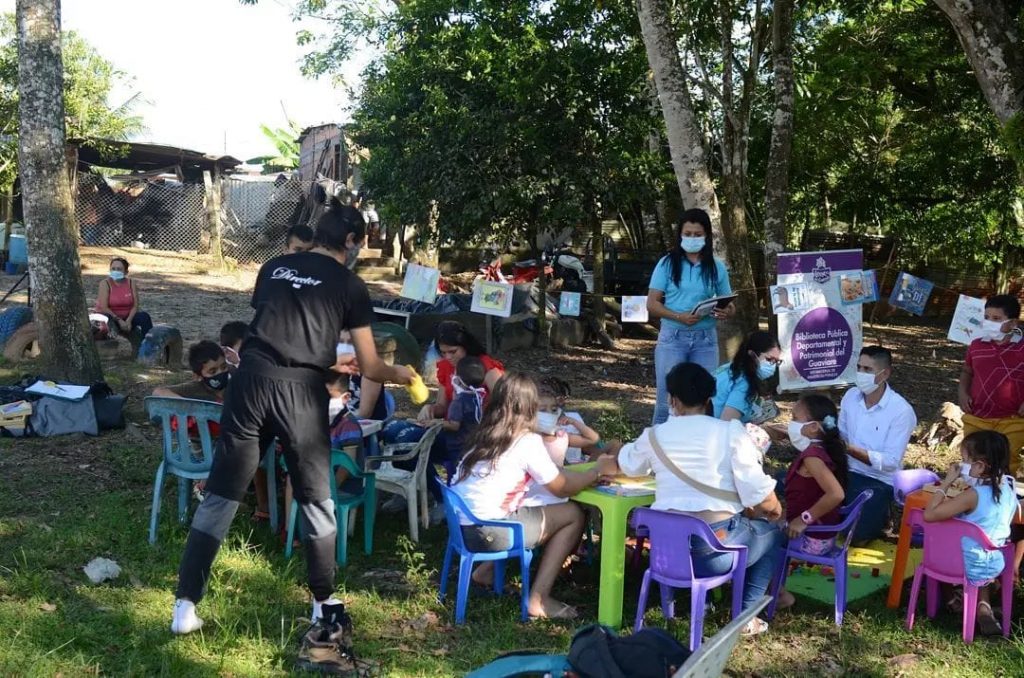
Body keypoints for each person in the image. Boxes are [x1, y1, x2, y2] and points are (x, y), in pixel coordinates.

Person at [170, 202, 413, 676]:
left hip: (251, 381)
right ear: (351, 242)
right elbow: (371, 366)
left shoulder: (274, 266)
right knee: (316, 499)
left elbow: (281, 331)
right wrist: (401, 373)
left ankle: (185, 607)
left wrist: (325, 361)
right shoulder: (351, 284)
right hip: (300, 394)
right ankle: (324, 604)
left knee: (221, 493)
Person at [602, 362, 789, 635]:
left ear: (672, 399)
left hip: (664, 552)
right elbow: (758, 491)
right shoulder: (730, 432)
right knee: (772, 535)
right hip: (715, 552)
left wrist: (612, 453)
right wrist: (775, 512)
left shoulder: (654, 435)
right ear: (709, 397)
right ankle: (745, 617)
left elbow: (629, 464)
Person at [451, 372, 617, 620]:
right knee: (572, 514)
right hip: (491, 531)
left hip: (463, 528)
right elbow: (561, 487)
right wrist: (596, 471)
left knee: (526, 508)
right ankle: (538, 598)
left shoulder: (486, 434)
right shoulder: (526, 441)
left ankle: (485, 573)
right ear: (529, 408)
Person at [923, 431, 1017, 637]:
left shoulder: (972, 495)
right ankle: (983, 607)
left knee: (943, 545)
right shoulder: (1009, 490)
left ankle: (952, 601)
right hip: (995, 562)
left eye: (965, 460)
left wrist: (946, 483)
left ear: (981, 466)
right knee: (978, 547)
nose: (961, 465)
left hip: (961, 563)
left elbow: (930, 515)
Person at [646, 208, 735, 425]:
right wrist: (678, 316)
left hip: (705, 339)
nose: (692, 238)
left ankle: (702, 448)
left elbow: (729, 303)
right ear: (680, 235)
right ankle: (657, 448)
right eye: (688, 234)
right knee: (667, 399)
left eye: (697, 234)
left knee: (704, 397)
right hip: (672, 337)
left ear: (706, 236)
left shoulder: (716, 267)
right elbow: (652, 304)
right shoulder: (667, 263)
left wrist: (727, 310)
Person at [838, 346, 917, 542]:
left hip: (878, 479)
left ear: (885, 373)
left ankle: (882, 517)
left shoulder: (901, 411)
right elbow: (841, 434)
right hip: (845, 470)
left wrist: (849, 449)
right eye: (859, 368)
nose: (861, 374)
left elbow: (890, 462)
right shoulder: (850, 397)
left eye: (868, 370)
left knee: (856, 536)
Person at [958, 294, 1024, 476]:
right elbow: (967, 372)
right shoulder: (976, 346)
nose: (989, 322)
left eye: (996, 319)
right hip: (977, 417)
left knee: (1006, 460)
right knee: (973, 460)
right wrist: (962, 393)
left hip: (1013, 420)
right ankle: (972, 499)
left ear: (1013, 323)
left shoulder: (1022, 348)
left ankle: (1003, 500)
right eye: (987, 317)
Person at [783, 395, 848, 559]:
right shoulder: (826, 448)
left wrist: (803, 519)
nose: (791, 423)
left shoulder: (813, 457)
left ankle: (769, 584)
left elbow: (837, 494)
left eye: (795, 418)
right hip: (821, 535)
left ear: (813, 427)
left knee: (760, 535)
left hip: (810, 539)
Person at [711, 331, 782, 424]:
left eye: (776, 362)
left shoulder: (728, 369)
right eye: (769, 359)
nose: (772, 365)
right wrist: (759, 431)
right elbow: (728, 424)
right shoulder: (744, 383)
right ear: (752, 355)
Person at [95, 257, 152, 343]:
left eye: (119, 269)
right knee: (106, 318)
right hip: (111, 316)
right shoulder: (105, 283)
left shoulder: (131, 283)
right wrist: (119, 320)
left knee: (144, 317)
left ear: (126, 272)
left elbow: (135, 306)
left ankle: (148, 346)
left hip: (127, 317)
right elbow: (104, 307)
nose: (115, 271)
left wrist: (128, 321)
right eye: (113, 269)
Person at [152, 340, 230, 402]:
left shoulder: (234, 383)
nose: (220, 372)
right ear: (198, 377)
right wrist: (189, 405)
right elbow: (158, 392)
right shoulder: (196, 388)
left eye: (224, 367)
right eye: (213, 371)